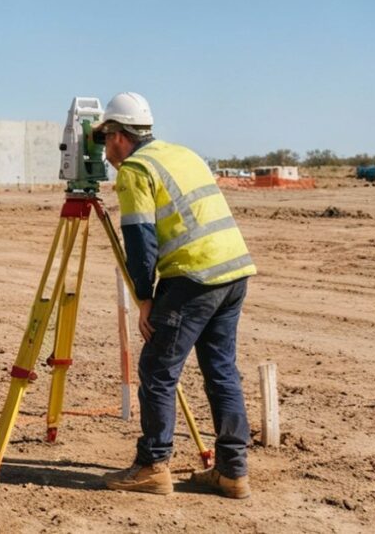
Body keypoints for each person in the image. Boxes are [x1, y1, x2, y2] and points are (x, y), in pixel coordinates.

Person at [95, 93, 256, 498]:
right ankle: (232, 472)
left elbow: (140, 240)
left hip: (194, 276)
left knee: (157, 370)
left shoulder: (134, 169)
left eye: (103, 140)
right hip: (233, 270)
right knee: (221, 370)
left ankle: (152, 465)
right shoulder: (181, 154)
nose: (104, 151)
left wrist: (145, 297)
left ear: (117, 135)